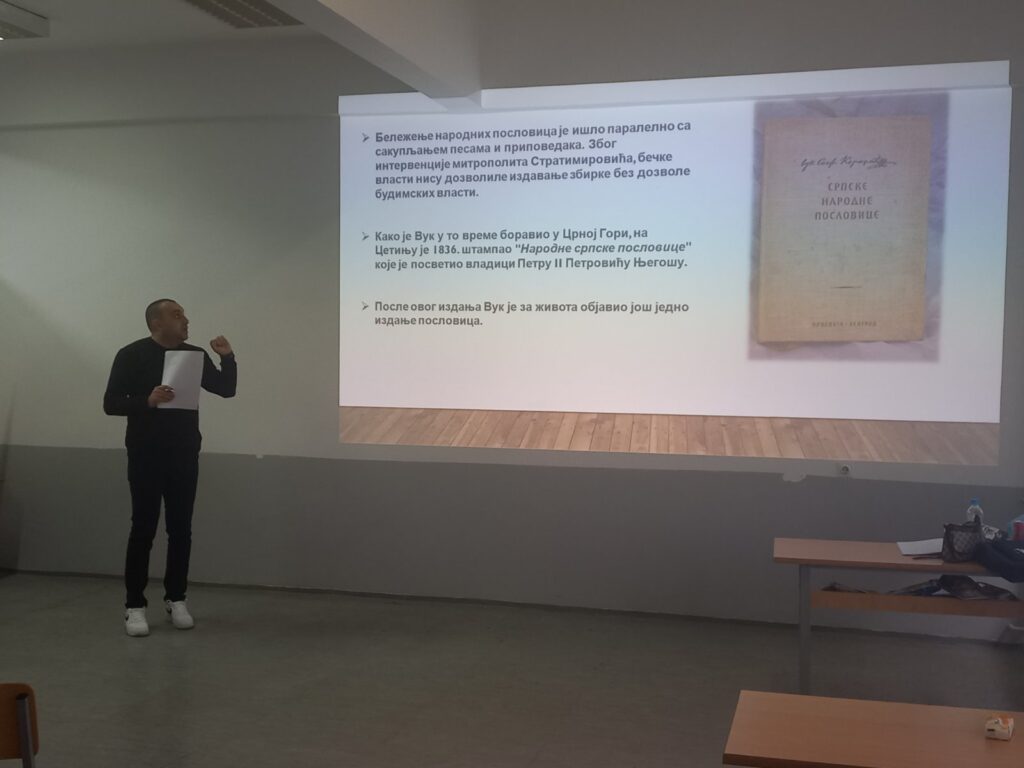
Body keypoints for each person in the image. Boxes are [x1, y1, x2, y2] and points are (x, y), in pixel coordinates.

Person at [103, 299, 237, 637]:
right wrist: (147, 401)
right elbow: (111, 403)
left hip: (184, 452)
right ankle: (135, 605)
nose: (186, 320)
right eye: (177, 315)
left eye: (184, 314)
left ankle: (176, 598)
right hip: (145, 454)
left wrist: (227, 358)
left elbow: (226, 390)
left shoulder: (194, 355)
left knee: (181, 529)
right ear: (156, 322)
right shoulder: (131, 354)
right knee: (143, 529)